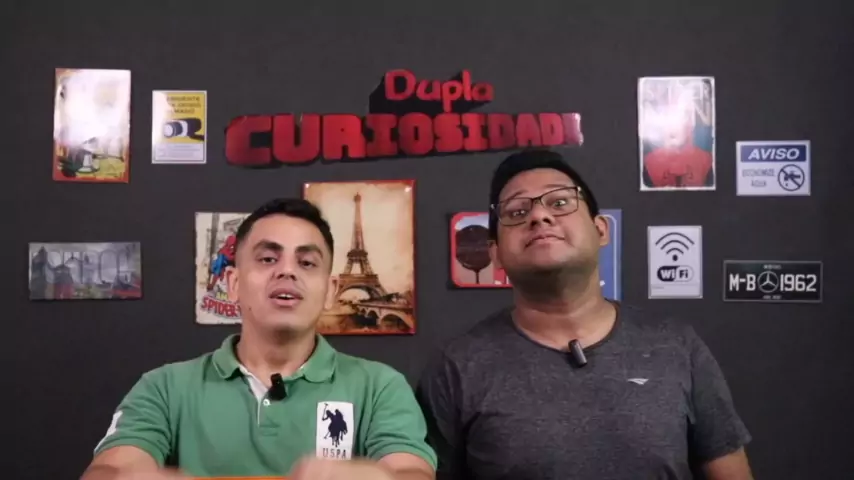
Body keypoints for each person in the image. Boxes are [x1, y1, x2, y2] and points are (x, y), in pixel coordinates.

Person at [415, 148, 753, 480]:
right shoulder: (456, 367)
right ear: (496, 254)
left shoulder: (676, 346)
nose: (539, 216)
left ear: (601, 230)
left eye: (560, 203)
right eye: (517, 212)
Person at [81, 198, 436, 480]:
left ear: (331, 291)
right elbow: (109, 467)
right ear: (233, 283)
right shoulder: (164, 387)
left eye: (307, 263)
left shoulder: (380, 387)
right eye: (268, 258)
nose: (287, 270)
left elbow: (412, 471)